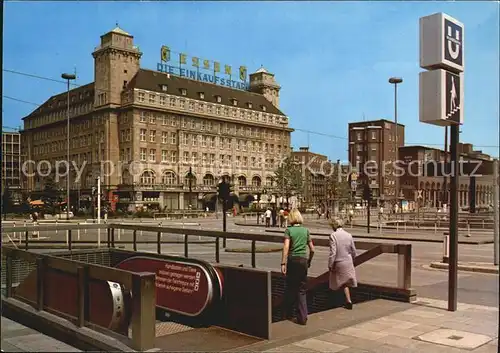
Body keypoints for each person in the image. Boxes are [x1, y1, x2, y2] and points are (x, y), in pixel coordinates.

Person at [281, 209, 315, 325]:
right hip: (303, 261)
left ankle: (288, 314)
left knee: (290, 287)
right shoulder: (306, 231)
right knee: (301, 290)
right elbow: (312, 249)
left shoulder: (289, 230)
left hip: (293, 260)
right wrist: (309, 261)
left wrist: (283, 263)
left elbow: (286, 247)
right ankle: (303, 317)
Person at [328, 218, 357, 310]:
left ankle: (334, 302)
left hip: (338, 262)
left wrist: (330, 264)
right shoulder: (349, 235)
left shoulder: (333, 236)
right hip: (348, 261)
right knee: (345, 283)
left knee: (335, 283)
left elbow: (333, 252)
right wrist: (353, 259)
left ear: (334, 226)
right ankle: (348, 300)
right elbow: (353, 250)